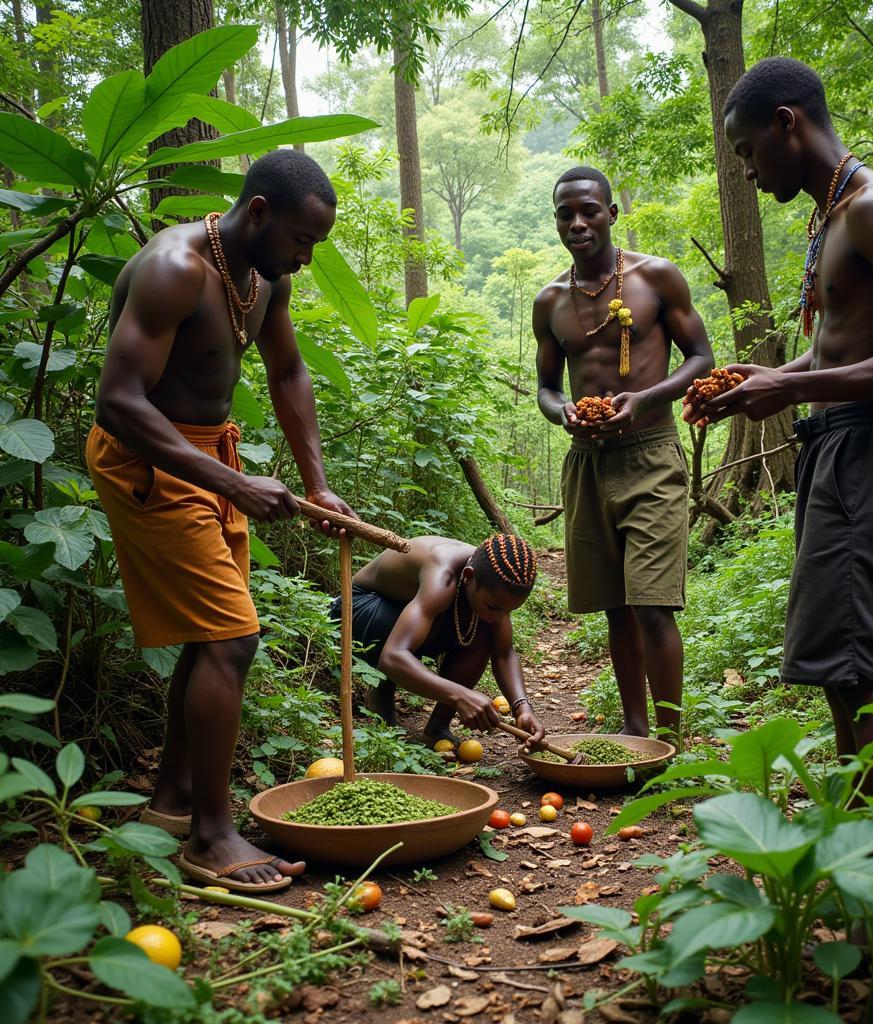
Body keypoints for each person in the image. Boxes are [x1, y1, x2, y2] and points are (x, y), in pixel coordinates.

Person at [683, 57, 873, 868]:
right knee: (842, 663)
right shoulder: (829, 217)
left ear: (786, 124)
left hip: (872, 446)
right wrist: (763, 384)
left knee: (868, 661)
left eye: (744, 150)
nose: (744, 167)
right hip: (836, 447)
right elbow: (842, 348)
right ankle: (863, 855)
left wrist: (799, 384)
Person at [87, 149, 358, 893]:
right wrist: (233, 486)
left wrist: (318, 485)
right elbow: (119, 401)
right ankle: (211, 836)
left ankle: (175, 802)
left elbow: (288, 371)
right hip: (147, 458)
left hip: (208, 458)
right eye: (301, 242)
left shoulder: (264, 279)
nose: (305, 261)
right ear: (259, 212)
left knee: (213, 637)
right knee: (233, 640)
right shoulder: (176, 268)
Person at [534, 166, 713, 740]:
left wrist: (646, 399)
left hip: (651, 454)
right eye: (566, 213)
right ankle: (636, 735)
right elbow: (546, 386)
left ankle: (670, 739)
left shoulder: (655, 278)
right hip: (587, 464)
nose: (577, 222)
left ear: (612, 213)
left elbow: (700, 358)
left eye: (589, 210)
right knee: (616, 606)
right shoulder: (550, 301)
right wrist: (561, 409)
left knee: (653, 604)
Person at [330, 534, 545, 750]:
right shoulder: (443, 573)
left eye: (509, 611)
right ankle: (381, 694)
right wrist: (461, 696)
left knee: (484, 632)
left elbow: (504, 653)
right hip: (358, 608)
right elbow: (393, 656)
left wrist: (522, 707)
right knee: (403, 626)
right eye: (494, 607)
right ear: (468, 577)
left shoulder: (494, 581)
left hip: (410, 615)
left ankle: (437, 729)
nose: (500, 617)